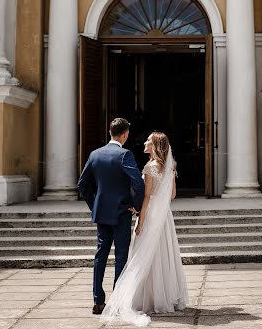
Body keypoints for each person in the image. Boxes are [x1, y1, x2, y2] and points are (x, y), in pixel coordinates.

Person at [101, 132, 188, 327]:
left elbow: (147, 197)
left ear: (155, 145)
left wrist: (140, 221)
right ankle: (163, 297)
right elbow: (172, 195)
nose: (145, 142)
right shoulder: (169, 167)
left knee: (142, 254)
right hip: (164, 215)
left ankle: (145, 298)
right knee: (162, 253)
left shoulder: (150, 167)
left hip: (151, 214)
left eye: (148, 140)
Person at [77, 117, 145, 315]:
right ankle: (117, 301)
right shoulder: (125, 154)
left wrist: (95, 204)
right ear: (125, 135)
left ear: (110, 133)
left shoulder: (95, 155)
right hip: (121, 213)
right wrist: (136, 206)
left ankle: (98, 301)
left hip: (102, 213)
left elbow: (82, 185)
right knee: (121, 255)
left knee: (101, 255)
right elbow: (138, 183)